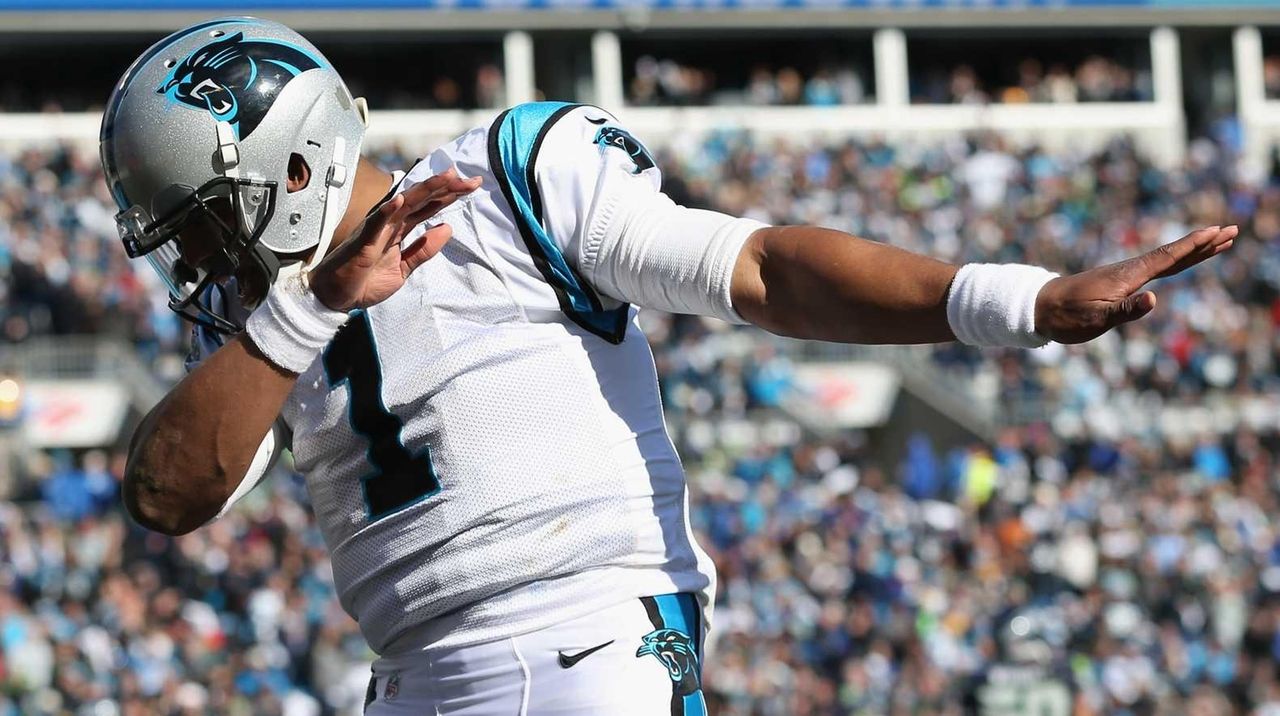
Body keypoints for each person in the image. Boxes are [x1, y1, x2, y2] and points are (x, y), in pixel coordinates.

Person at [98, 16, 1237, 716]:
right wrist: (309, 310)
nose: (196, 259)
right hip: (406, 680)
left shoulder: (508, 180)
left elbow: (758, 269)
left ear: (289, 166)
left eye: (198, 221)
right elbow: (165, 492)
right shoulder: (262, 326)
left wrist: (1013, 299)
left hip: (588, 644)